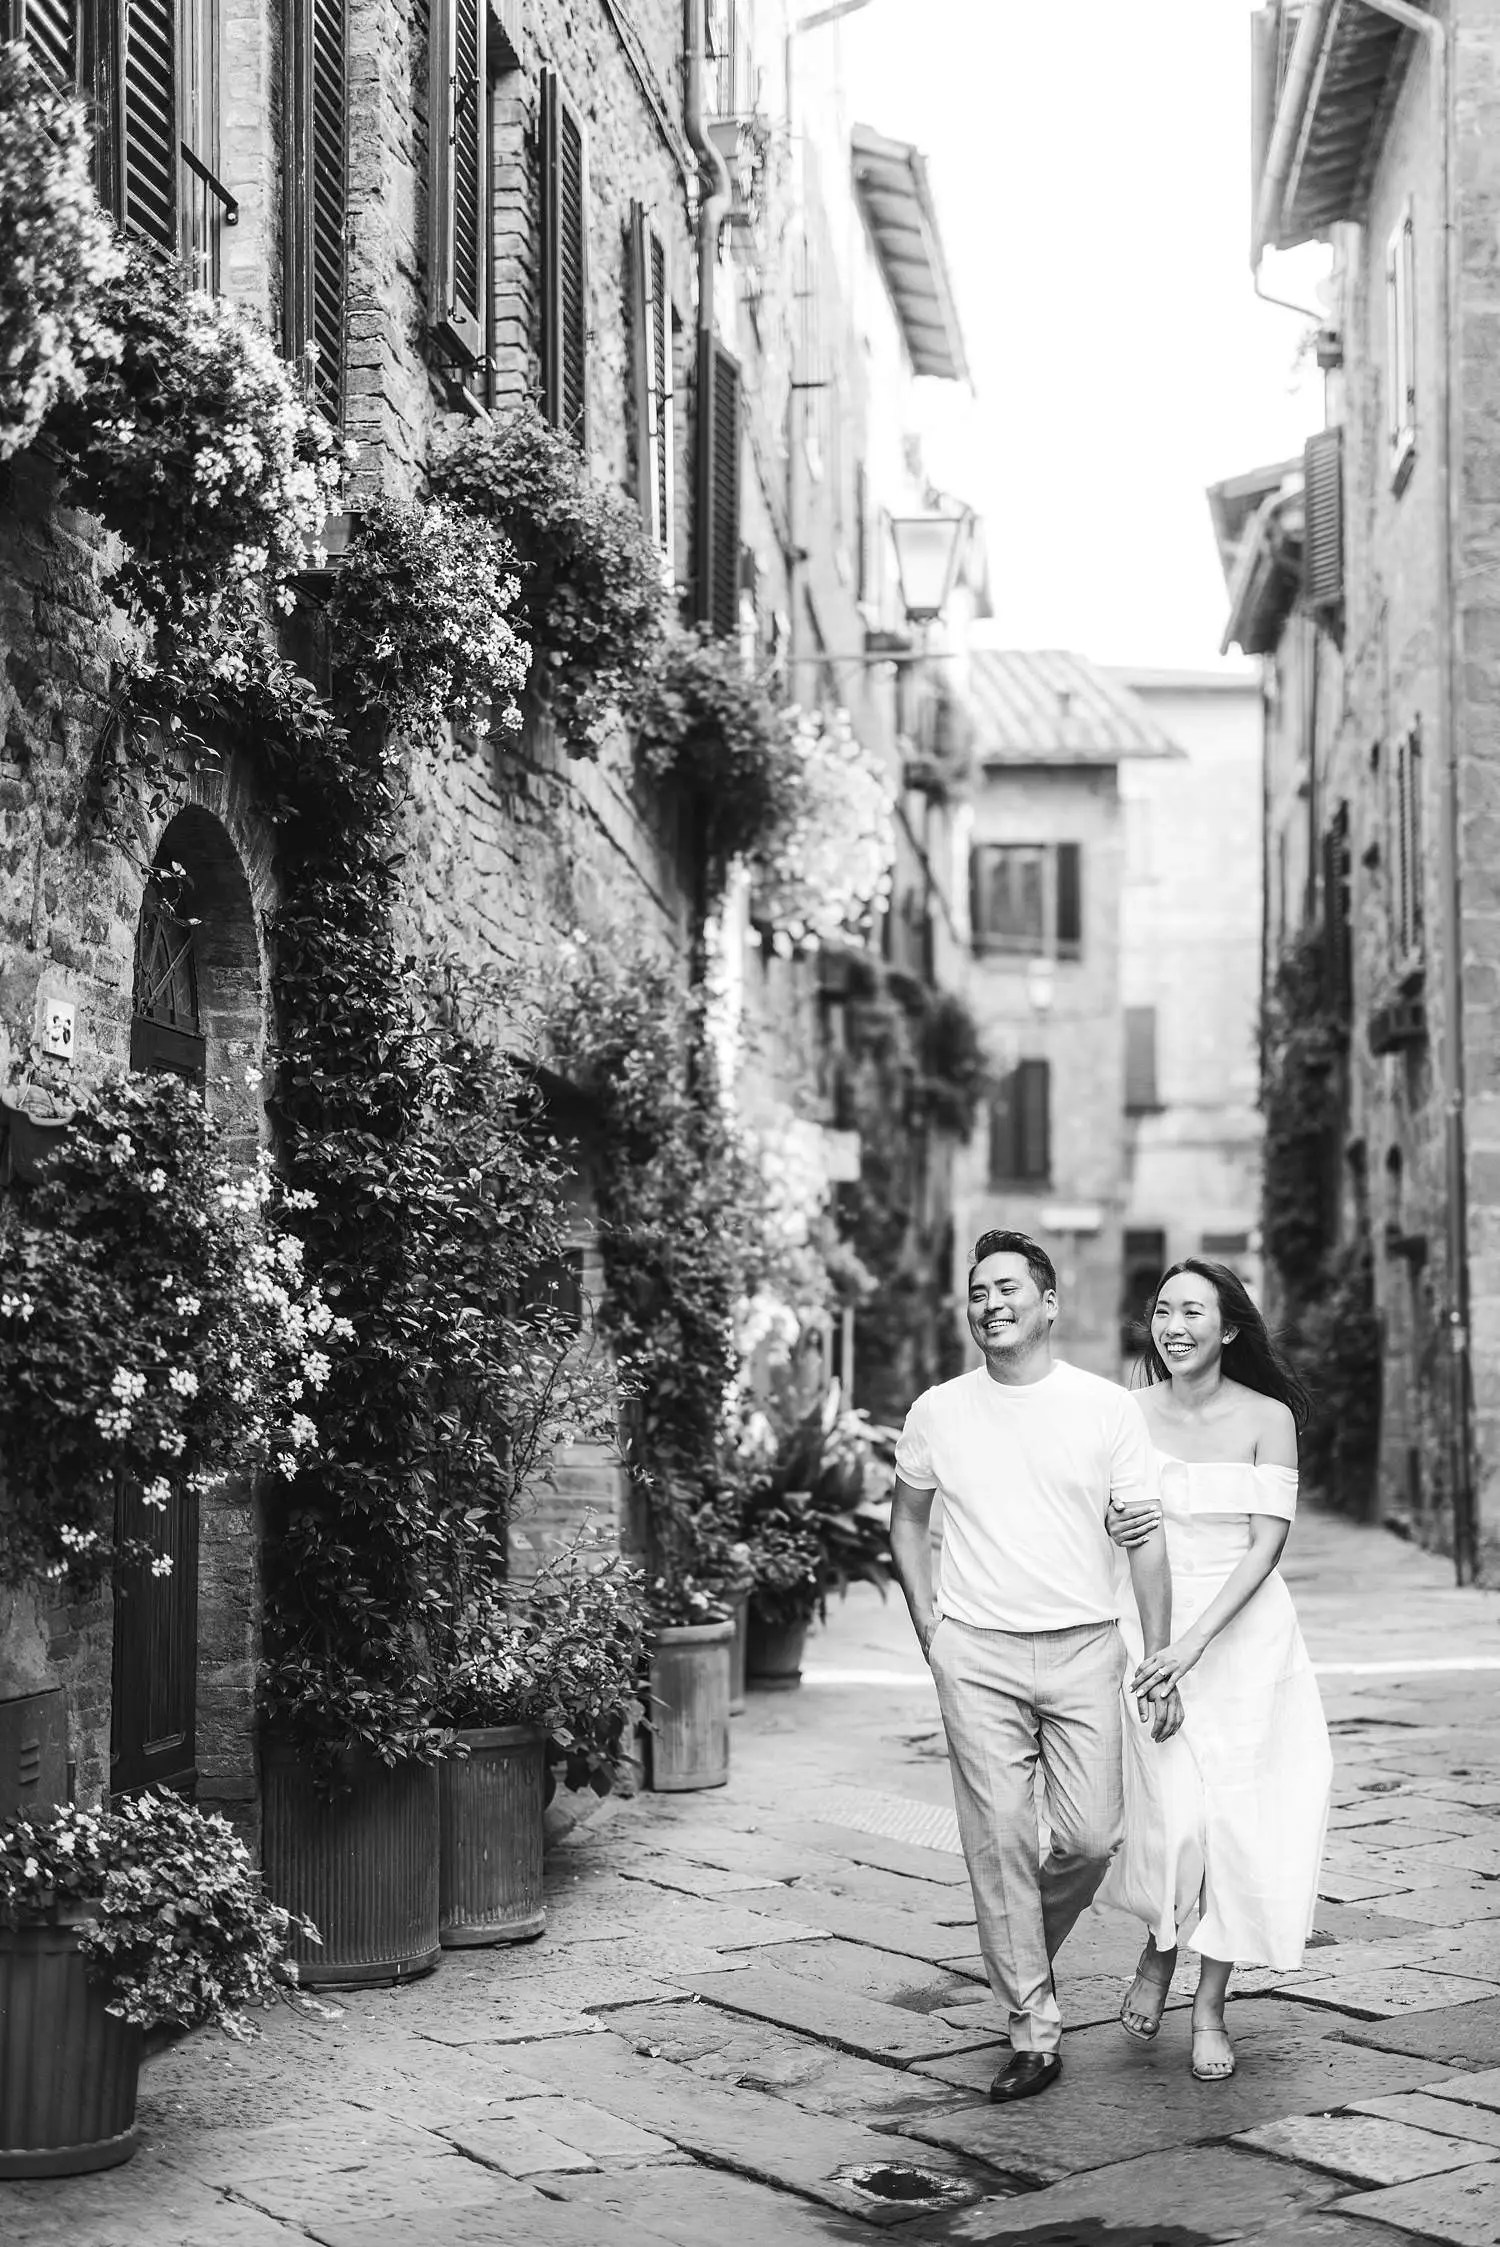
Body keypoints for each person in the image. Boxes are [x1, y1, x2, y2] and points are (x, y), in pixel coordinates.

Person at [889, 1229, 1184, 2106]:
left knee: (1093, 1836)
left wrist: (1160, 1655)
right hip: (975, 1651)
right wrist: (929, 1625)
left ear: (1049, 1303)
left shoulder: (1105, 1409)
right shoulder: (938, 1409)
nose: (992, 1303)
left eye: (1009, 1288)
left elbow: (1146, 1536)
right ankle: (1032, 2023)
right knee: (1002, 1841)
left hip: (1087, 1646)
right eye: (978, 1291)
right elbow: (906, 1523)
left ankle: (1016, 1953)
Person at [1103, 1258, 1332, 2083]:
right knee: (1177, 1819)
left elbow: (1267, 1544)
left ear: (1228, 1327)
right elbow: (1106, 1519)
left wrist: (1193, 1647)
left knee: (1236, 1825)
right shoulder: (1123, 1413)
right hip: (1148, 1625)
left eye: (1192, 1310)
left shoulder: (1269, 1417)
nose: (1173, 1325)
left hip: (1243, 1639)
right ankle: (1162, 1944)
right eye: (1162, 1309)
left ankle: (1207, 2004)